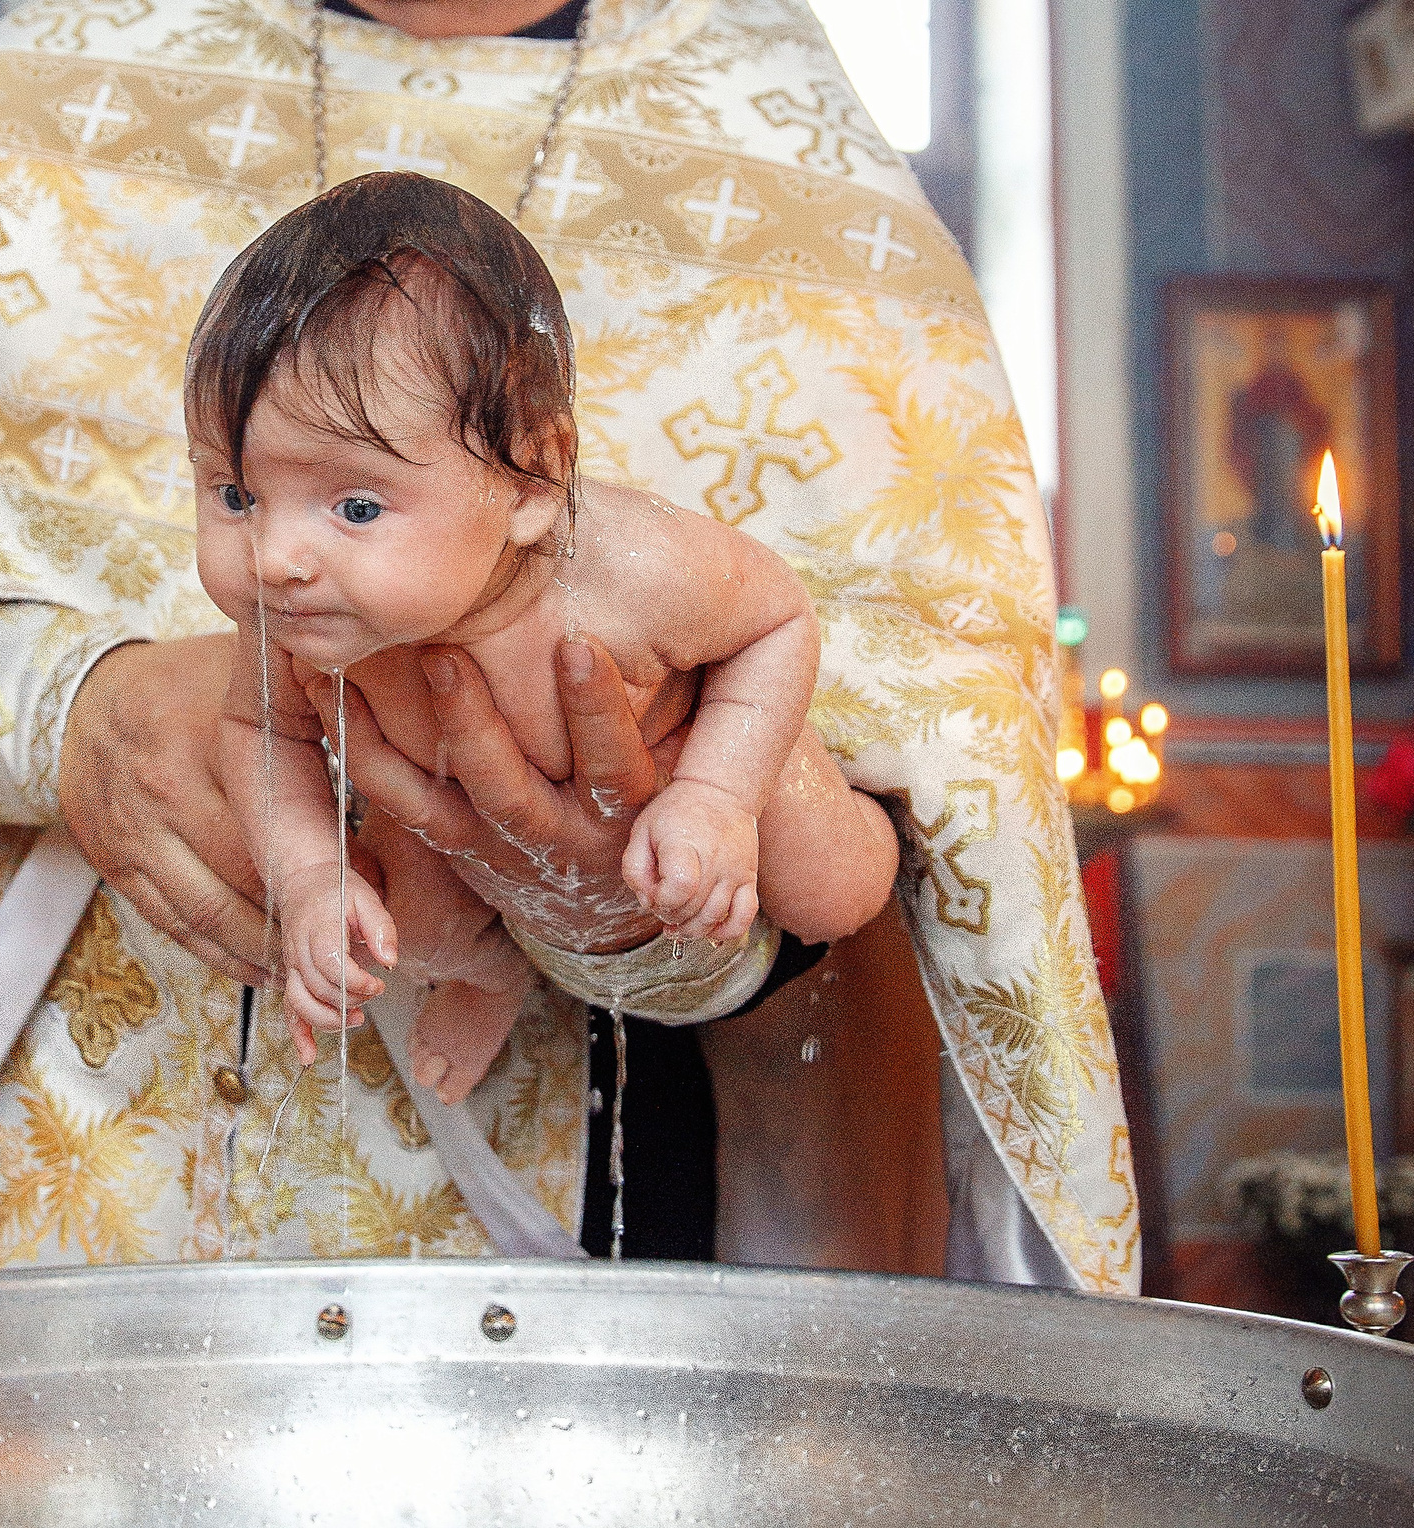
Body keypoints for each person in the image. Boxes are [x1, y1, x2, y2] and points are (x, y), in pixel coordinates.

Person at [0, 0, 1139, 1333]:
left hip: (584, 1245)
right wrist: (72, 717)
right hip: (54, 1212)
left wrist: (641, 896)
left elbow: (925, 826)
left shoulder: (798, 184)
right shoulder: (39, 98)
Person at [196, 173, 898, 1101]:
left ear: (530, 482)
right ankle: (493, 975)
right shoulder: (306, 617)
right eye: (236, 495)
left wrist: (718, 794)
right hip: (451, 818)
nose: (275, 557)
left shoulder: (634, 574)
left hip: (681, 755)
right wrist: (311, 878)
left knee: (837, 890)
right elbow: (259, 730)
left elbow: (777, 620)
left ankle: (821, 811)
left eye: (356, 506)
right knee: (408, 935)